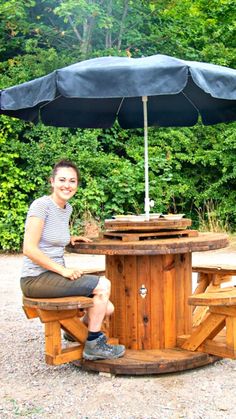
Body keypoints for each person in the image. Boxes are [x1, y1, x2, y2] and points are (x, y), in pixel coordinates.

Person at [20, 159, 125, 361]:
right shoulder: (41, 205)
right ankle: (94, 344)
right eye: (62, 180)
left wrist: (69, 238)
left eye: (72, 181)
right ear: (52, 181)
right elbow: (29, 249)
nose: (67, 185)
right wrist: (63, 271)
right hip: (35, 279)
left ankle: (73, 330)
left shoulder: (66, 208)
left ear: (77, 184)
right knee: (103, 286)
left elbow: (49, 236)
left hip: (51, 276)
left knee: (107, 308)